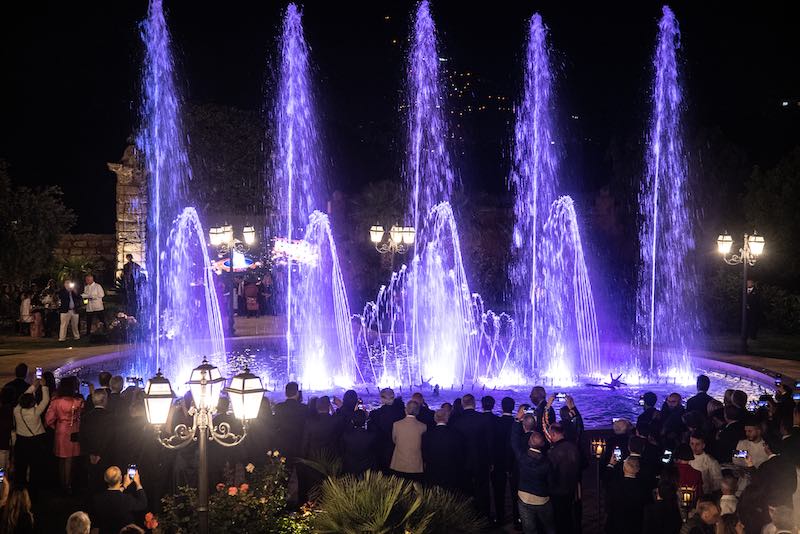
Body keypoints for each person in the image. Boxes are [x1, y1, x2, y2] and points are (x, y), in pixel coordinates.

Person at [451, 393, 494, 518]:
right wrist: (490, 461)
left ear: (463, 404)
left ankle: (468, 515)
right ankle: (484, 515)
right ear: (474, 403)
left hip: (463, 461)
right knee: (483, 488)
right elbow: (489, 442)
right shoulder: (483, 419)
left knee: (465, 489)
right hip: (481, 460)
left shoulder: (456, 421)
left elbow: (455, 444)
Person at [510, 425, 555, 534]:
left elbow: (514, 441)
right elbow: (551, 482)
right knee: (549, 528)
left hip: (524, 497)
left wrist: (517, 421)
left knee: (529, 530)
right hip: (542, 498)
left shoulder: (522, 457)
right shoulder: (547, 462)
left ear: (529, 442)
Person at [45, 376, 84, 492]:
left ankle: (62, 483)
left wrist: (56, 426)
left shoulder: (55, 402)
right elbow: (82, 415)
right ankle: (68, 485)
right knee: (70, 459)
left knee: (62, 459)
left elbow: (48, 419)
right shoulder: (78, 402)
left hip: (61, 431)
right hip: (73, 430)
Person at [13, 379, 49, 488]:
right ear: (33, 403)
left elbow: (24, 397)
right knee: (35, 468)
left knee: (20, 467)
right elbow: (46, 400)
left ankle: (19, 490)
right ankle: (33, 492)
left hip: (21, 441)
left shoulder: (17, 411)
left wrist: (33, 386)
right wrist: (43, 386)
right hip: (35, 442)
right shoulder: (35, 412)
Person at [89, 466, 147, 534]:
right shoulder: (126, 499)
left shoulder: (97, 499)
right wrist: (138, 483)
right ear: (121, 478)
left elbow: (113, 496)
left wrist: (124, 486)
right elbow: (143, 503)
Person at [547, 423, 581, 534]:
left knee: (559, 519)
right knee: (568, 516)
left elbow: (551, 473)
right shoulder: (573, 447)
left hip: (557, 490)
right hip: (571, 488)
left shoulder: (553, 452)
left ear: (553, 434)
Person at [80, 389, 115, 492]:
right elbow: (109, 437)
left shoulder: (86, 417)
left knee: (92, 482)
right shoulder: (111, 417)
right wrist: (100, 453)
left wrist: (90, 453)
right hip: (106, 455)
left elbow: (82, 437)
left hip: (89, 455)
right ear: (105, 400)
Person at [422, 408, 464, 492]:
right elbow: (459, 454)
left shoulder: (427, 434)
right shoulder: (455, 434)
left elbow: (424, 454)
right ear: (447, 418)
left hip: (432, 469)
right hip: (450, 470)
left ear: (435, 418)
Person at [605, 457, 650, 534]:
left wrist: (611, 464)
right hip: (635, 527)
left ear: (624, 468)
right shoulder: (643, 488)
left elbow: (606, 480)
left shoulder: (616, 485)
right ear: (638, 469)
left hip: (616, 527)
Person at [367, 388, 405, 471]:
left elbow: (371, 429)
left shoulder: (376, 414)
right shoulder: (402, 412)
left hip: (381, 448)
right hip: (398, 448)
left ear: (382, 399)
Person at [492, 396, 515, 525]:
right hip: (513, 462)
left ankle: (500, 518)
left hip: (499, 461)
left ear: (501, 407)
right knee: (516, 491)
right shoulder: (516, 423)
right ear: (513, 407)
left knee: (498, 492)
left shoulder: (496, 423)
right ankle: (518, 518)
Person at [390, 400, 427, 481]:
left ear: (405, 410)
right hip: (416, 464)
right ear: (418, 411)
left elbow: (394, 440)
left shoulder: (397, 424)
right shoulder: (423, 426)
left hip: (399, 462)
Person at [340, 409, 376, 475]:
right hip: (367, 467)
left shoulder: (346, 435)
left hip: (350, 466)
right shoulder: (371, 436)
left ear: (352, 421)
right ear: (365, 420)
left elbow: (342, 450)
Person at [81, 274, 105, 338]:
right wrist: (85, 301)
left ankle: (105, 330)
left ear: (92, 279)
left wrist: (92, 297)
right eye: (86, 280)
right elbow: (85, 296)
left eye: (88, 279)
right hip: (89, 307)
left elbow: (101, 295)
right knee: (89, 320)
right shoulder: (86, 287)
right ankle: (88, 333)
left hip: (97, 306)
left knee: (101, 319)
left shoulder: (97, 286)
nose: (87, 281)